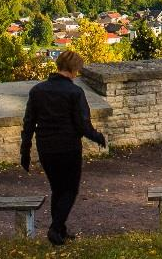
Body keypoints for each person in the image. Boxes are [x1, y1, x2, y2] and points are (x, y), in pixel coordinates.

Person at [21, 50, 107, 245]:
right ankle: (55, 228)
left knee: (57, 189)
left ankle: (60, 230)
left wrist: (25, 151)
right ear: (75, 69)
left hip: (46, 148)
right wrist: (98, 137)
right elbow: (82, 125)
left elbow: (28, 123)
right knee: (69, 190)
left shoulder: (37, 91)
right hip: (68, 148)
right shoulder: (75, 93)